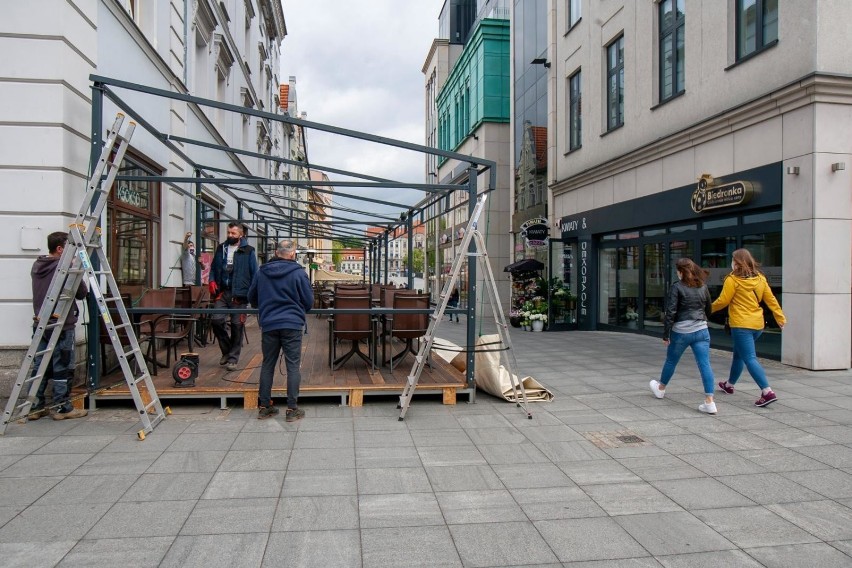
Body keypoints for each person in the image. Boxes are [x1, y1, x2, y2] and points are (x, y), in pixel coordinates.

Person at [248, 239, 313, 421]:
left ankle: (264, 406)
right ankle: (292, 409)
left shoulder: (262, 272)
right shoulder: (299, 273)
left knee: (268, 364)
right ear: (292, 254)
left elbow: (251, 297)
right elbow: (308, 302)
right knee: (292, 366)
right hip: (292, 323)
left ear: (276, 252)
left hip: (269, 323)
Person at [711, 248, 786, 407]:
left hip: (741, 325)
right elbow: (771, 299)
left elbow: (723, 301)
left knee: (749, 358)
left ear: (736, 262)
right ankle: (729, 385)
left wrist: (707, 309)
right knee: (739, 355)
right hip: (757, 325)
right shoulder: (760, 278)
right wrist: (779, 316)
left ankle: (767, 392)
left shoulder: (732, 280)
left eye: (732, 260)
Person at [29, 231, 88, 420]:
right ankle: (63, 408)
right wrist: (75, 270)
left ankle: (35, 407)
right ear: (60, 249)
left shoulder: (38, 265)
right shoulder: (63, 268)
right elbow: (81, 293)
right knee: (62, 365)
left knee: (40, 366)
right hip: (61, 324)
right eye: (69, 249)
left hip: (40, 323)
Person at [650, 258, 717, 414]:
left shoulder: (677, 287)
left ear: (680, 272)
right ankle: (710, 401)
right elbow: (709, 309)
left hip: (681, 332)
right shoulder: (702, 286)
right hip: (701, 331)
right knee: (705, 364)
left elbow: (670, 312)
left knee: (671, 361)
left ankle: (661, 388)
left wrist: (666, 334)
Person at [209, 223, 258, 371]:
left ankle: (233, 359)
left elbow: (255, 273)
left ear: (241, 235)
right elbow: (213, 268)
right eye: (229, 232)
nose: (230, 235)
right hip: (223, 293)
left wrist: (252, 294)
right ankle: (227, 351)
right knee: (216, 320)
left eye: (233, 233)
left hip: (240, 294)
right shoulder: (220, 248)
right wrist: (211, 280)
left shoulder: (249, 251)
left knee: (237, 326)